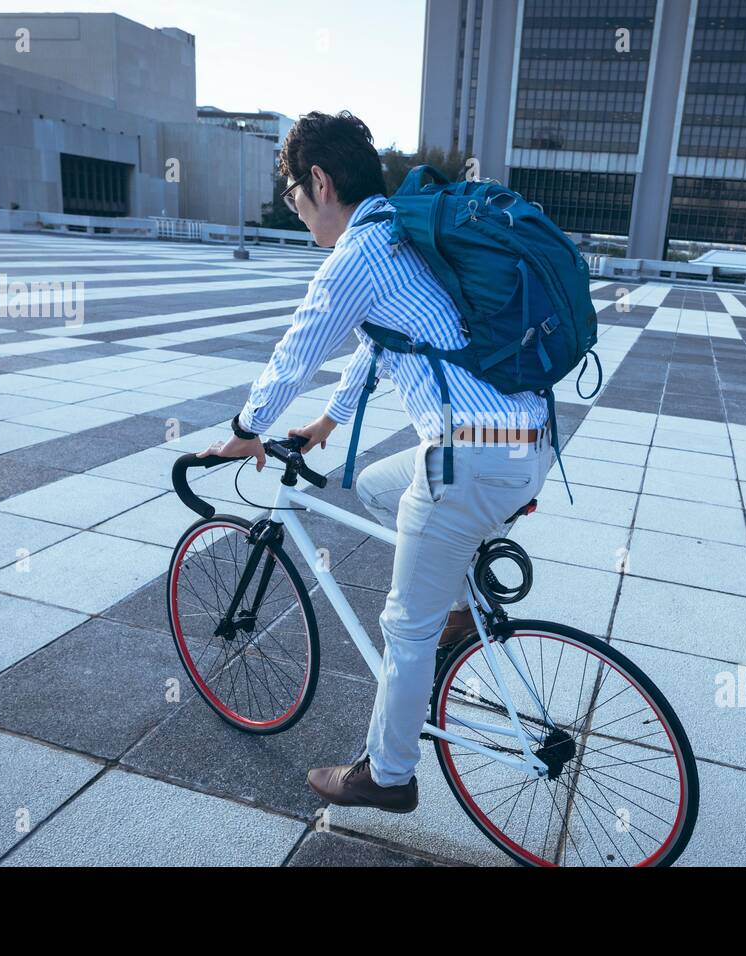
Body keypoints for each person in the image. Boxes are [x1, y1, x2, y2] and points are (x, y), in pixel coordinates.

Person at [203, 111, 553, 812]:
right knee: (374, 484)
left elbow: (297, 349)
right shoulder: (406, 228)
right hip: (526, 442)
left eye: (295, 197)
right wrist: (329, 422)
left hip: (469, 459)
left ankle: (388, 775)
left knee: (403, 627)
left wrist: (248, 430)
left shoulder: (356, 255)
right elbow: (381, 342)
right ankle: (462, 609)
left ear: (321, 182)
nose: (297, 212)